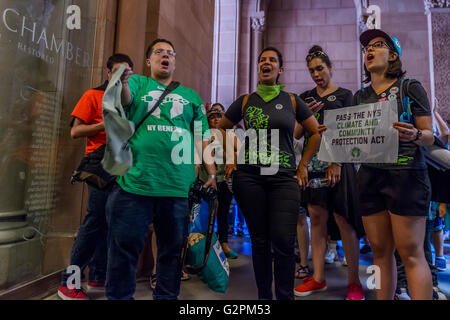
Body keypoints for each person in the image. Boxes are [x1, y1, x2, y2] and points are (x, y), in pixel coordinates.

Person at [106, 39, 216, 300]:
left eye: (170, 53)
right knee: (124, 250)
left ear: (174, 62)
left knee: (171, 253)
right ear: (148, 61)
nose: (165, 56)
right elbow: (125, 99)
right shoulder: (137, 84)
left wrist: (211, 174)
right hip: (136, 183)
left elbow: (202, 137)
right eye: (159, 52)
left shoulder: (191, 96)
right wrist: (122, 81)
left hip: (178, 187)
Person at [219, 47, 321, 300]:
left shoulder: (292, 100)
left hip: (284, 178)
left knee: (284, 241)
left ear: (280, 69)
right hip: (250, 177)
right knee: (260, 241)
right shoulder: (245, 100)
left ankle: (284, 296)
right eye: (262, 60)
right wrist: (232, 158)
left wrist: (303, 165)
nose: (266, 63)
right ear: (259, 67)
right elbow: (222, 128)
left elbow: (315, 132)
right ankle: (264, 297)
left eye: (272, 60)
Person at [354, 29, 434, 300]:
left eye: (378, 45)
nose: (369, 50)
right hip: (369, 176)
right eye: (366, 47)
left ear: (393, 56)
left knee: (410, 253)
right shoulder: (359, 96)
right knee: (379, 251)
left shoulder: (410, 87)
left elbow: (430, 135)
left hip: (406, 174)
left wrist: (415, 134)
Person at [58, 54, 134, 300]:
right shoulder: (93, 95)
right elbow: (76, 131)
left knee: (112, 223)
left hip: (124, 165)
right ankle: (68, 284)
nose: (123, 76)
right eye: (118, 72)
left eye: (127, 73)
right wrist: (106, 124)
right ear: (107, 73)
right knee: (94, 223)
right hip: (100, 164)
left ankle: (98, 275)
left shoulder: (131, 100)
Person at [293, 45, 365, 300]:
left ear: (330, 67)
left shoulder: (347, 95)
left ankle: (354, 283)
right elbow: (297, 134)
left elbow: (351, 133)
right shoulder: (305, 97)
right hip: (313, 166)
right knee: (317, 220)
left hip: (339, 164)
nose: (316, 74)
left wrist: (338, 162)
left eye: (320, 68)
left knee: (344, 220)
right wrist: (306, 117)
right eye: (311, 70)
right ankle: (319, 278)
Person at [198, 103, 239, 259]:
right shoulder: (203, 134)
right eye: (212, 117)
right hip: (205, 180)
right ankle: (203, 245)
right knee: (205, 214)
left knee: (223, 213)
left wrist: (232, 158)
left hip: (224, 179)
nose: (215, 119)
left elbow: (239, 151)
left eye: (218, 117)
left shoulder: (228, 135)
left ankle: (224, 244)